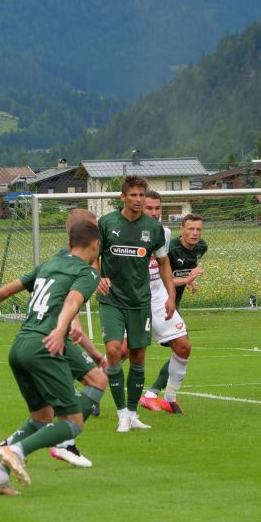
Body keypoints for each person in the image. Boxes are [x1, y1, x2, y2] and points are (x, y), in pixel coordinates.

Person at [0, 219, 103, 495]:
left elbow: (9, 289)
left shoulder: (49, 265)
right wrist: (60, 329)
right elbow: (71, 302)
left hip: (20, 346)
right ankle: (16, 449)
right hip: (46, 346)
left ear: (68, 244)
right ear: (96, 245)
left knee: (42, 417)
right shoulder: (87, 273)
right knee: (72, 424)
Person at [97, 176, 174, 432]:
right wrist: (98, 277)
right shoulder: (107, 224)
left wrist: (171, 295)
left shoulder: (153, 229)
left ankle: (132, 413)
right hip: (112, 300)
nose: (139, 200)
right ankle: (121, 414)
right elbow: (92, 257)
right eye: (134, 195)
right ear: (123, 197)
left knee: (139, 354)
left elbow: (164, 263)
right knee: (114, 350)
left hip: (141, 301)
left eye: (142, 195)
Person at [140, 211, 208, 413]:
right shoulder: (170, 247)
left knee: (182, 347)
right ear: (182, 230)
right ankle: (154, 394)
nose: (195, 234)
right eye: (190, 229)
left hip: (173, 301)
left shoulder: (201, 247)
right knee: (128, 349)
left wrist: (190, 281)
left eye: (198, 230)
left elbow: (183, 271)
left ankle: (160, 396)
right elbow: (162, 275)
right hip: (159, 301)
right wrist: (187, 280)